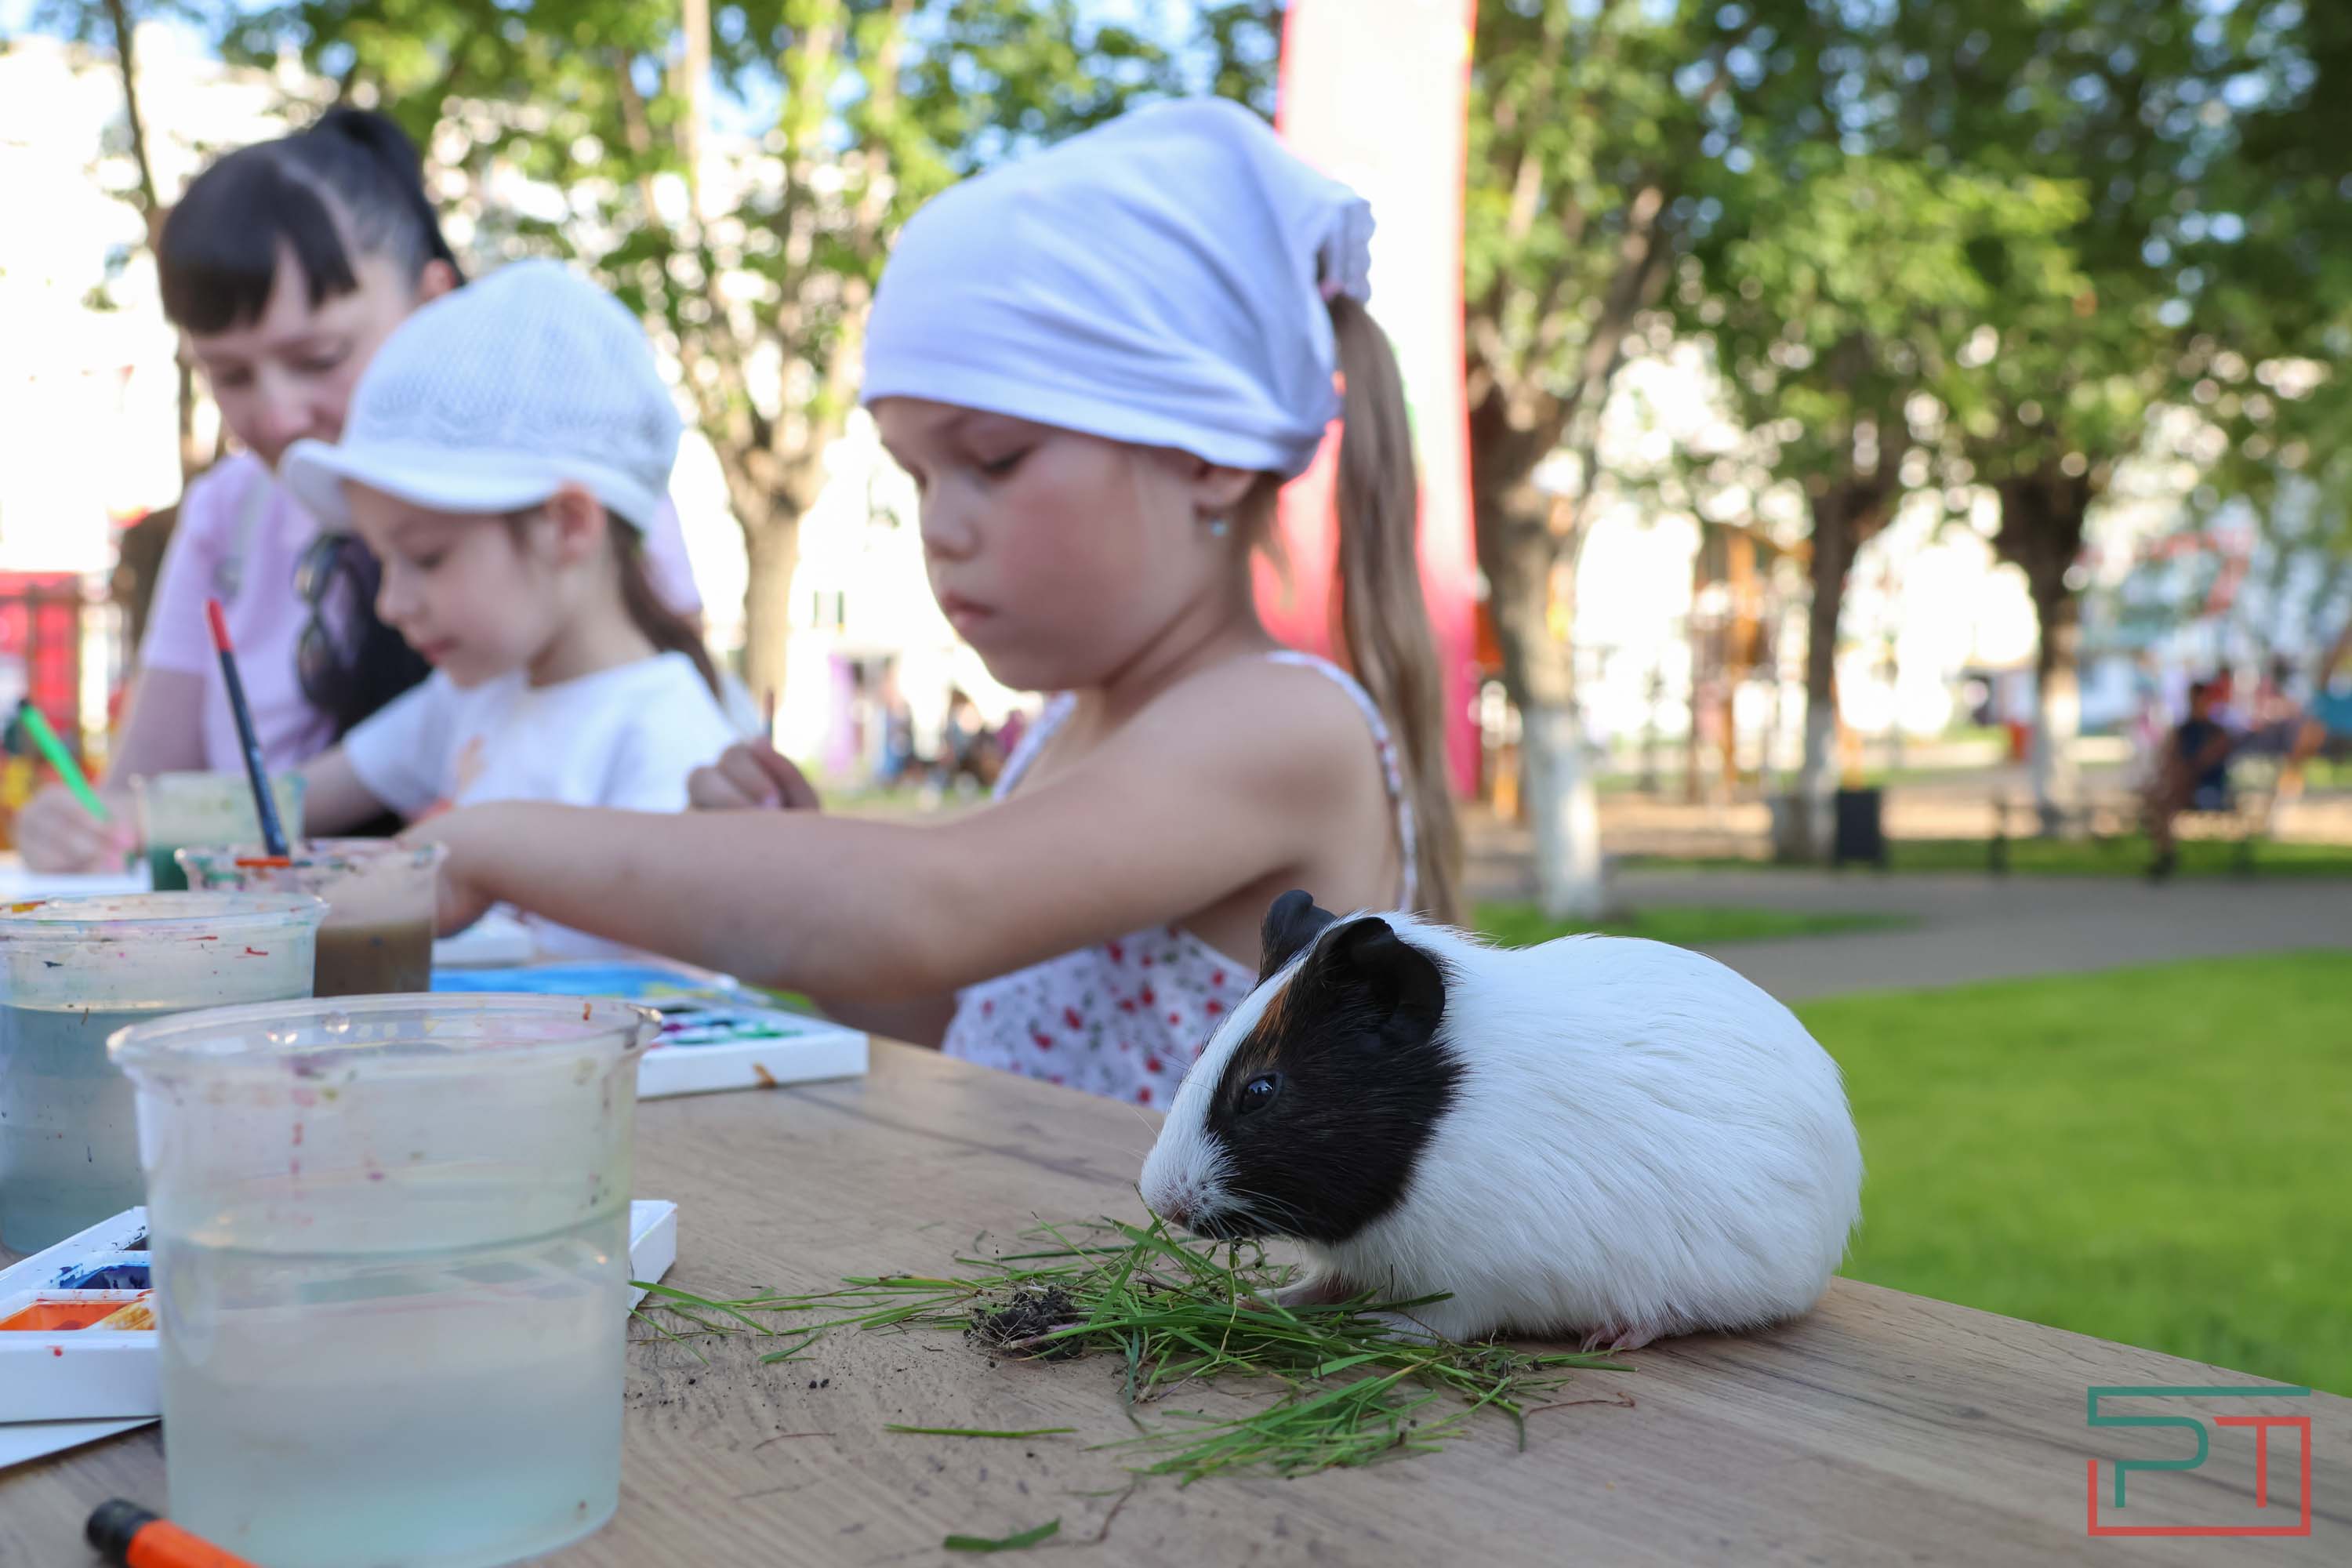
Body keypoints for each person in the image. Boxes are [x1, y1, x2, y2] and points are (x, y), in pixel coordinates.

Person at [412, 100, 1461, 1102]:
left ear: (1206, 457)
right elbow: (966, 1023)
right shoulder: (1070, 729)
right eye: (917, 476)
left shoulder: (1279, 720)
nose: (940, 527)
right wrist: (797, 872)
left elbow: (929, 910)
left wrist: (492, 844)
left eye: (993, 460)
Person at [13, 109, 703, 871]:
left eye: (320, 357)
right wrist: (103, 823)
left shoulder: (576, 489)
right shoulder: (237, 520)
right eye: (229, 374)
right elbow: (268, 800)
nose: (278, 415)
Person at [286, 260, 740, 954]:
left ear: (568, 526)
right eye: (382, 562)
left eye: (427, 558)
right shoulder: (467, 697)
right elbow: (288, 800)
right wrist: (149, 819)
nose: (390, 604)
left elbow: (667, 977)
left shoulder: (668, 740)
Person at [2143, 678, 2236, 878]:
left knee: (2167, 795)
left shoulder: (2217, 733)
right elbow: (2169, 758)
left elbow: (2203, 762)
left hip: (2209, 789)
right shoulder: (2183, 731)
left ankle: (2166, 854)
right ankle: (2166, 852)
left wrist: (2182, 771)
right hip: (2182, 787)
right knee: (2155, 800)